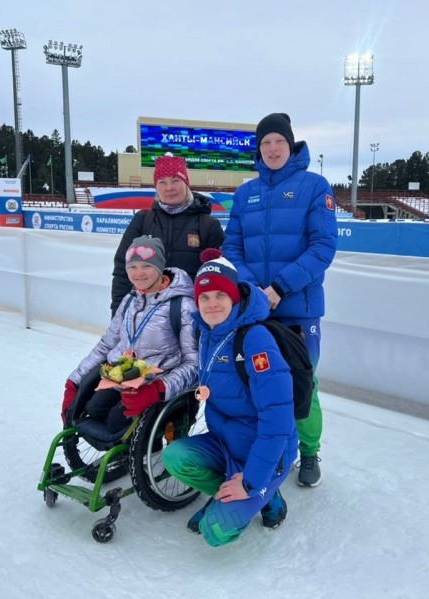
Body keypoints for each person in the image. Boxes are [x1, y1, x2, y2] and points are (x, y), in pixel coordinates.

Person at [222, 113, 337, 487]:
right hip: (255, 310)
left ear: (291, 145)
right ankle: (267, 451)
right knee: (258, 384)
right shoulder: (245, 193)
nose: (272, 149)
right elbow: (232, 247)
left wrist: (279, 289)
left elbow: (323, 247)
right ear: (258, 149)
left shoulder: (315, 187)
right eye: (266, 143)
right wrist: (255, 290)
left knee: (303, 384)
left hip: (298, 312)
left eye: (279, 142)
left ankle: (309, 452)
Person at [162, 253, 297, 547]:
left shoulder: (255, 339)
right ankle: (226, 493)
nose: (212, 303)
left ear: (235, 297)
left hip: (266, 451)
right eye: (205, 296)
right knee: (175, 457)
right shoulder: (207, 332)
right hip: (227, 443)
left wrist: (250, 482)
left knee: (216, 532)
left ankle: (265, 493)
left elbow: (278, 419)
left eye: (221, 295)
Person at [62, 235, 199, 430]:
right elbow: (107, 344)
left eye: (147, 266)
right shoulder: (129, 300)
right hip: (122, 378)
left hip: (156, 384)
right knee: (91, 410)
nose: (139, 273)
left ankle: (145, 454)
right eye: (132, 267)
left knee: (115, 423)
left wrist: (158, 389)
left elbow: (194, 363)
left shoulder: (182, 306)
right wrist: (74, 381)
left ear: (160, 268)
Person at [110, 153, 225, 317]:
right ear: (156, 187)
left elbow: (219, 276)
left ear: (186, 184)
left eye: (175, 181)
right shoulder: (143, 221)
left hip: (190, 317)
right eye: (162, 182)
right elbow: (123, 269)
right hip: (145, 317)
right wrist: (119, 315)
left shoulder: (208, 225)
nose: (169, 187)